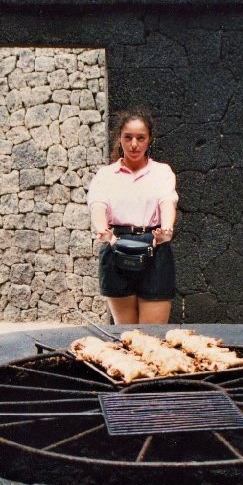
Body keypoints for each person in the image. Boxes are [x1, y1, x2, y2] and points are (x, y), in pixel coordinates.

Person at [87, 108, 177, 324]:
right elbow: (98, 205)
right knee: (125, 335)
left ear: (149, 140)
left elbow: (167, 201)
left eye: (140, 138)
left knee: (152, 338)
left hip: (154, 245)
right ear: (120, 138)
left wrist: (167, 230)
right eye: (128, 137)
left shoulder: (162, 172)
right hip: (117, 244)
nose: (134, 144)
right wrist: (103, 231)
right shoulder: (105, 175)